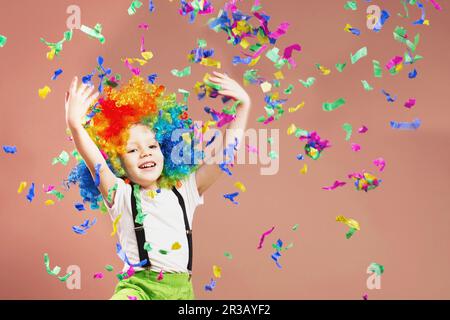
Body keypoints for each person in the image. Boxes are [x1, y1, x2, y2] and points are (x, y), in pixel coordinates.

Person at [65, 71, 251, 299]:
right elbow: (94, 161)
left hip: (181, 291)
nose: (145, 153)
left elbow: (226, 157)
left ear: (165, 149)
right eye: (132, 150)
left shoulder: (185, 191)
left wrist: (243, 108)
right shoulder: (120, 195)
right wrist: (75, 125)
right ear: (118, 162)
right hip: (138, 289)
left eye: (152, 146)